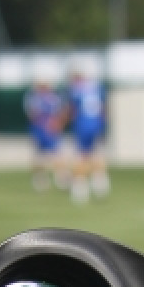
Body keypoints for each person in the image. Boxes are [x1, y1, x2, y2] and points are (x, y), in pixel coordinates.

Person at [64, 69, 109, 205]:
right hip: (96, 125)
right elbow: (103, 109)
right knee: (95, 153)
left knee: (82, 155)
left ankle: (80, 187)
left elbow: (71, 109)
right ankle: (99, 180)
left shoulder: (76, 90)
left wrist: (64, 121)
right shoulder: (97, 87)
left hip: (83, 125)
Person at [23, 80, 65, 192]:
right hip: (39, 129)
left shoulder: (54, 98)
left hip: (50, 130)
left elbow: (59, 114)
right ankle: (40, 179)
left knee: (56, 154)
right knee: (39, 156)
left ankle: (60, 178)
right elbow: (31, 114)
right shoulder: (34, 98)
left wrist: (55, 124)